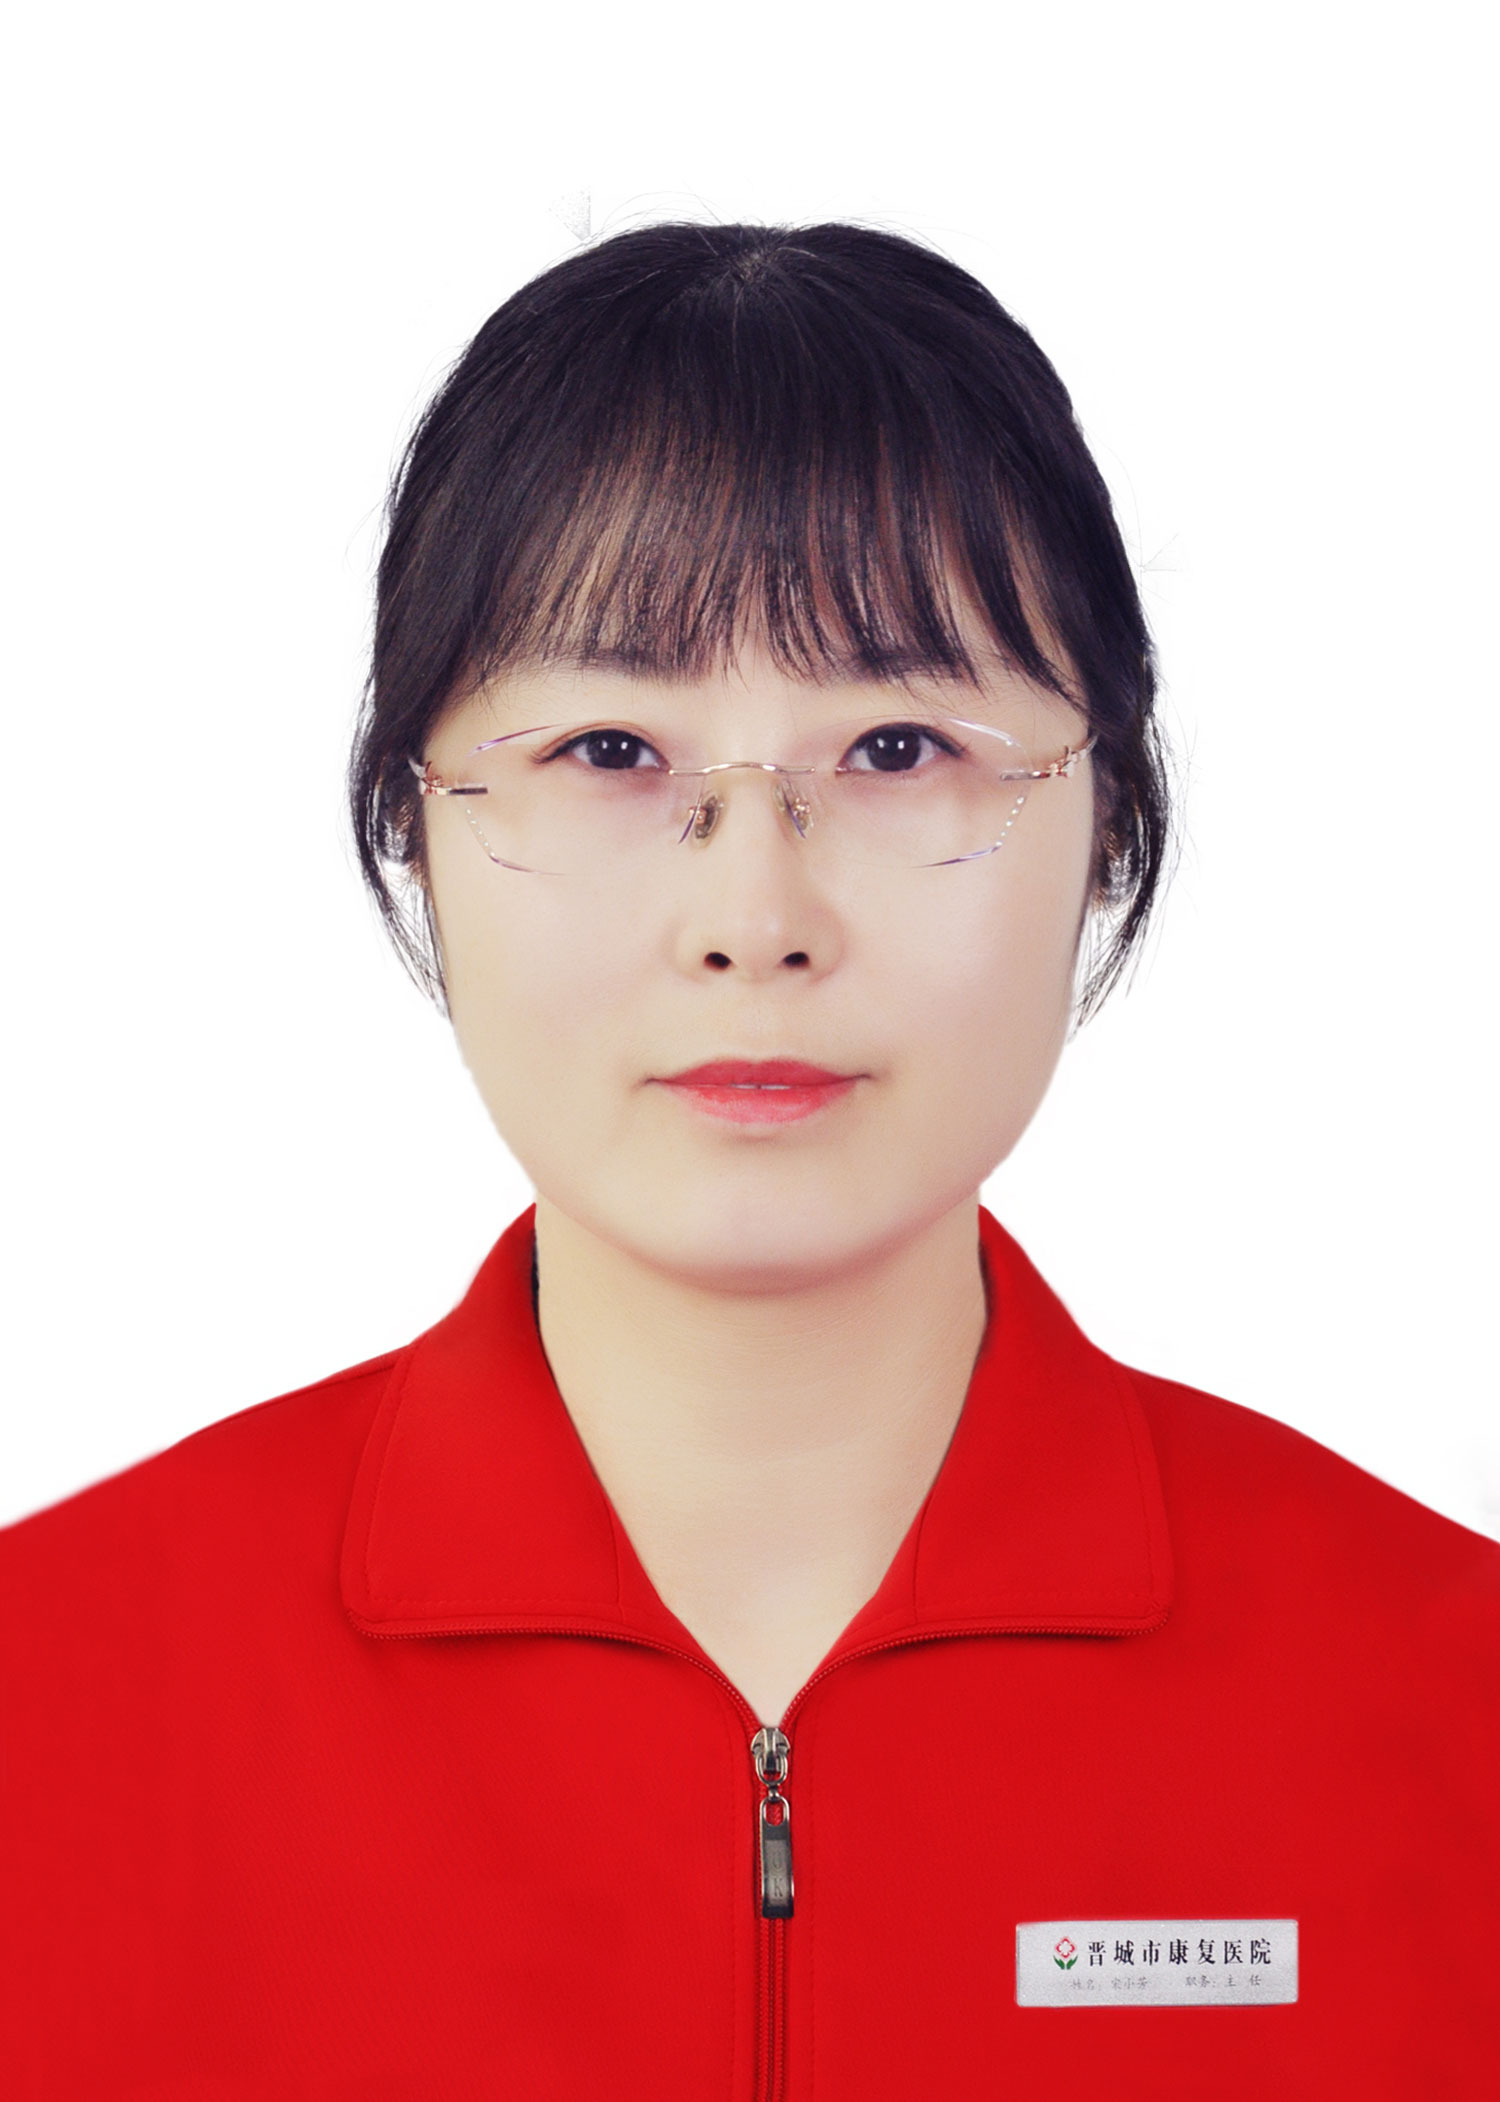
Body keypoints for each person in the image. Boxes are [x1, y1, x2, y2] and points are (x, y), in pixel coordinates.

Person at [2, 220, 1495, 2100]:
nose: (755, 918)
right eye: (610, 749)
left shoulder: (1453, 1705)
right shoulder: (46, 1701)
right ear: (412, 824)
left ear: (1111, 819)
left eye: (899, 746)